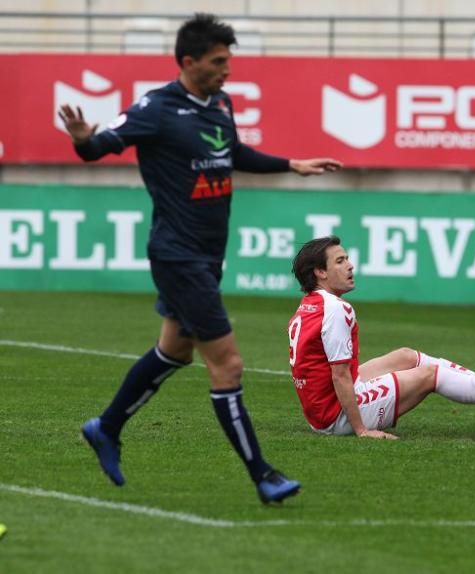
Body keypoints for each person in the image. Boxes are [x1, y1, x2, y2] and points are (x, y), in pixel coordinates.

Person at [60, 13, 343, 504]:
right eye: (218, 61)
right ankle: (264, 475)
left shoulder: (220, 104)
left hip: (207, 255)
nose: (227, 69)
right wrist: (85, 138)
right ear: (189, 62)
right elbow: (100, 148)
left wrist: (290, 164)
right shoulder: (155, 108)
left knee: (174, 350)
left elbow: (232, 152)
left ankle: (106, 428)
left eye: (228, 60)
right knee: (228, 364)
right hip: (177, 256)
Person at [287, 235, 475, 438]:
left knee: (406, 356)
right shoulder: (336, 309)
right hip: (336, 415)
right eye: (340, 261)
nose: (350, 265)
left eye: (347, 258)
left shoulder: (310, 305)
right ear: (320, 273)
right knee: (429, 375)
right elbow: (340, 375)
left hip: (322, 410)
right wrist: (361, 430)